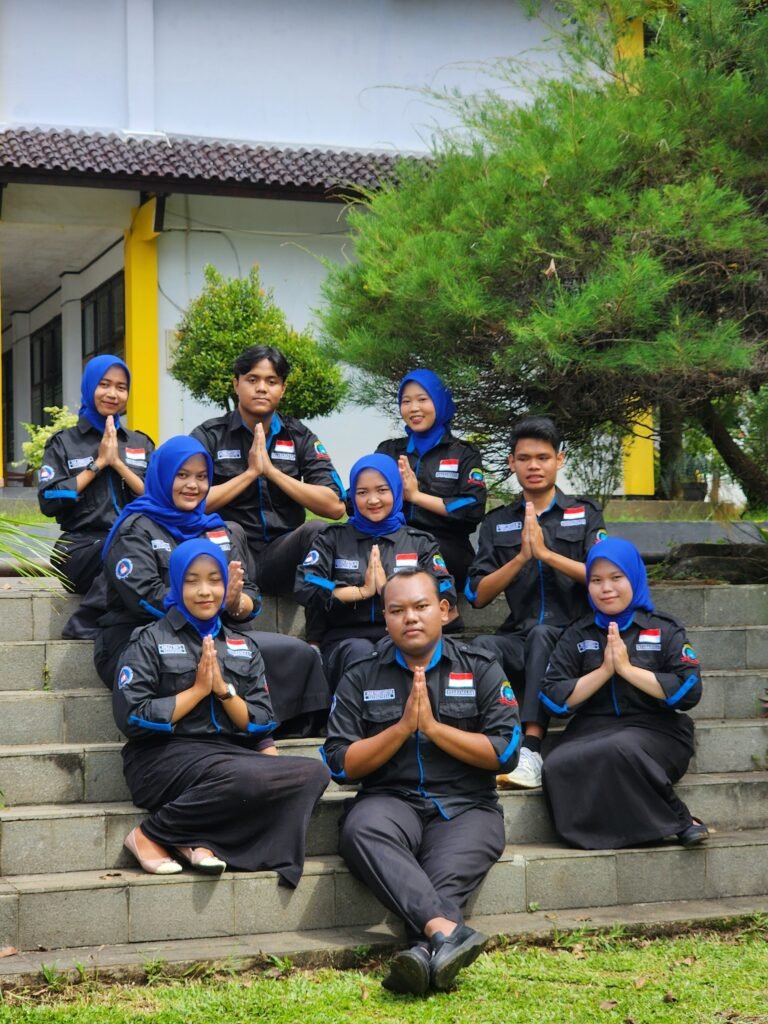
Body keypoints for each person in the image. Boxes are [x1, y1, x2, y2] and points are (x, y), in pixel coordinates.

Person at [323, 569, 521, 996]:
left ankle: (421, 952)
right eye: (397, 610)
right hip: (390, 801)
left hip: (467, 807)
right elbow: (339, 763)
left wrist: (433, 729)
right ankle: (445, 934)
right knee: (360, 829)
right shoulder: (361, 673)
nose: (409, 617)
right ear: (385, 618)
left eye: (421, 606)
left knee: (442, 879)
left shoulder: (481, 668)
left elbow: (505, 752)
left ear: (444, 611)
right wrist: (400, 730)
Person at [113, 538, 330, 883]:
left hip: (228, 754)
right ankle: (150, 834)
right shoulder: (149, 640)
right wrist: (198, 691)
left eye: (215, 580)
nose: (205, 591)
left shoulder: (243, 646)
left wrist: (224, 692)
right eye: (192, 581)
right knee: (245, 777)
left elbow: (260, 718)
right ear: (176, 584)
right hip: (161, 757)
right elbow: (132, 714)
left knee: (313, 773)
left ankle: (200, 839)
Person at [95, 435, 330, 736]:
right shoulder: (135, 528)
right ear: (162, 475)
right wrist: (212, 602)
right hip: (144, 634)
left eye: (202, 477)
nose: (193, 485)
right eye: (182, 475)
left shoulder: (216, 529)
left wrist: (235, 602)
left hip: (213, 633)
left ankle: (285, 729)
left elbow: (250, 595)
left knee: (296, 652)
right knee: (200, 661)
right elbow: (144, 597)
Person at [540, 537, 708, 850]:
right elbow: (552, 697)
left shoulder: (663, 628)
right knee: (556, 764)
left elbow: (689, 688)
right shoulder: (577, 633)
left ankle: (681, 820)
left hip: (658, 730)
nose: (606, 588)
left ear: (634, 577)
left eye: (616, 578)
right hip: (590, 729)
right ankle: (613, 833)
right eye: (596, 580)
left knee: (621, 747)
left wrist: (628, 670)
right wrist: (604, 671)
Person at [466, 416, 605, 790]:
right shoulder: (497, 522)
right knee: (480, 648)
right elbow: (478, 595)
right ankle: (491, 741)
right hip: (521, 636)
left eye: (543, 457)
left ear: (559, 459)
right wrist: (521, 558)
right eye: (524, 458)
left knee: (543, 635)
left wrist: (546, 555)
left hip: (578, 639)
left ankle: (530, 749)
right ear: (511, 462)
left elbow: (604, 577)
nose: (534, 466)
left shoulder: (585, 513)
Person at [294, 453, 457, 691]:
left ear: (396, 491)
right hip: (344, 640)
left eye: (382, 490)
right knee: (361, 652)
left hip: (406, 635)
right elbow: (305, 584)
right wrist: (359, 591)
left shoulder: (419, 542)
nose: (373, 500)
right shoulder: (333, 538)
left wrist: (389, 590)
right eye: (362, 492)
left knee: (398, 651)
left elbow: (445, 589)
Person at [191, 344, 346, 594]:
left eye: (271, 381)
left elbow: (335, 507)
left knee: (317, 530)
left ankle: (322, 615)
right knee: (228, 529)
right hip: (231, 552)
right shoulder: (210, 436)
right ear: (236, 384)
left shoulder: (299, 436)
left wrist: (273, 472)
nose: (261, 388)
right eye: (252, 379)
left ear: (282, 389)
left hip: (283, 555)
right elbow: (188, 503)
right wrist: (250, 474)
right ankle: (238, 607)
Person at [37, 354, 153, 594]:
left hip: (136, 540)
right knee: (127, 553)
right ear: (89, 386)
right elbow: (49, 499)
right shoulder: (64, 443)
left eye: (121, 387)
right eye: (104, 384)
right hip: (81, 547)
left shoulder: (140, 443)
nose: (112, 394)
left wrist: (118, 464)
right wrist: (98, 464)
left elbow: (159, 497)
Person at [375, 370, 487, 589]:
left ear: (440, 401)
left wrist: (415, 496)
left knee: (412, 558)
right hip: (393, 540)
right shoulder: (389, 450)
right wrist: (389, 495)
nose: (414, 408)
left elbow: (473, 507)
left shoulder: (464, 453)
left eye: (422, 399)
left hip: (447, 548)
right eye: (406, 401)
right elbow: (356, 497)